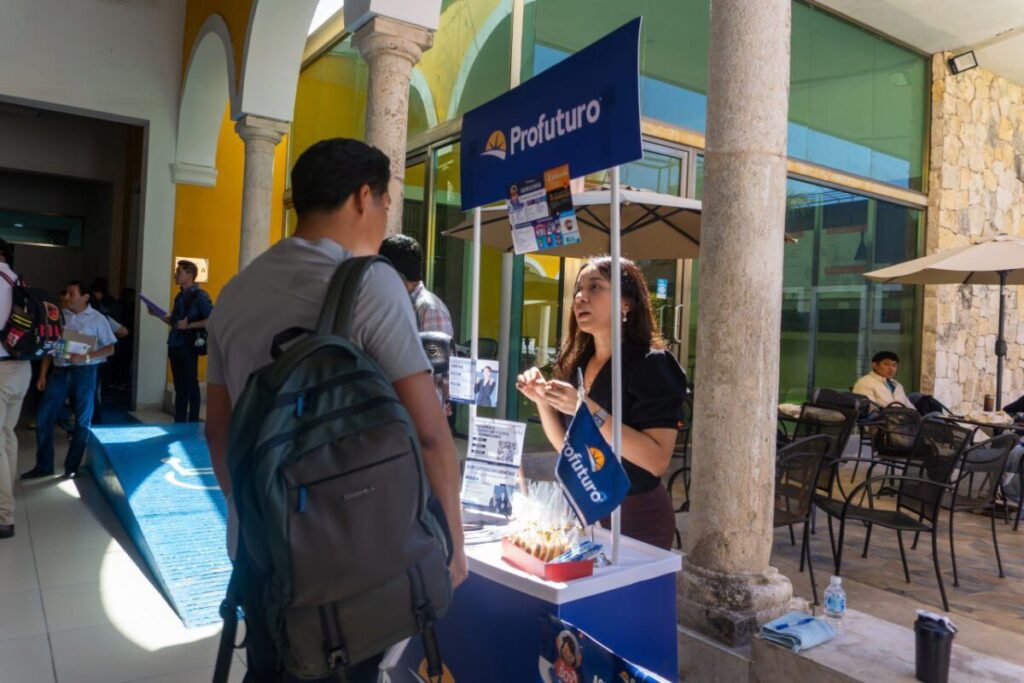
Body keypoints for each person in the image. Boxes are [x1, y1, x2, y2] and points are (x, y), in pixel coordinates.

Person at [204, 137, 466, 681]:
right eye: (387, 201)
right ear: (362, 197)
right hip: (350, 554)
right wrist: (454, 543)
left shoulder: (235, 292)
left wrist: (260, 516)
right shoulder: (370, 283)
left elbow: (218, 431)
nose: (385, 213)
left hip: (261, 550)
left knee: (273, 663)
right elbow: (431, 432)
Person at [517, 256, 687, 550]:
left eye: (595, 287)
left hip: (638, 516)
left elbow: (657, 460)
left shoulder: (652, 363)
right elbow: (568, 450)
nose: (581, 297)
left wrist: (586, 409)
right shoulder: (577, 365)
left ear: (626, 303)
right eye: (577, 290)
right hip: (585, 510)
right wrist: (542, 400)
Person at [22, 280, 116, 479]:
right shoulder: (58, 317)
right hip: (60, 372)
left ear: (85, 297)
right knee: (43, 418)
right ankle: (44, 465)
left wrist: (87, 356)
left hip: (86, 373)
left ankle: (71, 467)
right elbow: (49, 348)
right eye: (66, 293)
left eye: (71, 294)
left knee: (82, 422)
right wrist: (42, 375)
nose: (66, 297)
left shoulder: (98, 319)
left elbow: (110, 347)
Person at [379, 234, 454, 413]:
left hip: (422, 415)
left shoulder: (429, 309)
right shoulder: (404, 303)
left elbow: (437, 374)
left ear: (396, 273)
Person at [149, 260, 212, 423]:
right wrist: (158, 314)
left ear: (189, 275)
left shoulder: (201, 296)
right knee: (179, 385)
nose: (176, 274)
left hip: (189, 345)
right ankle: (179, 420)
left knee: (191, 383)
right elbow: (176, 323)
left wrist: (189, 325)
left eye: (179, 271)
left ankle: (192, 421)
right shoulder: (179, 296)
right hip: (175, 344)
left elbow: (213, 319)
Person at [0, 240, 31, 538]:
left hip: (1, 368)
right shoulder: (19, 280)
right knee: (8, 436)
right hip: (22, 368)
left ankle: (4, 514)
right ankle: (6, 507)